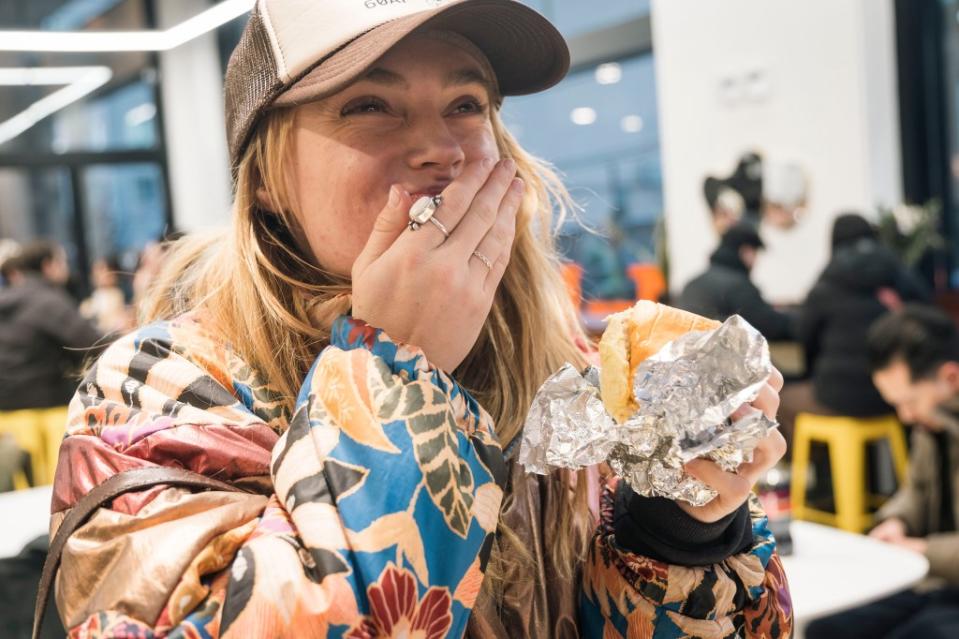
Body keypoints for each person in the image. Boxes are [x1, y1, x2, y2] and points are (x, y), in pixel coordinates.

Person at [50, 1, 791, 637]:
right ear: (269, 175)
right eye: (368, 104)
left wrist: (675, 533)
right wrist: (397, 366)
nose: (440, 148)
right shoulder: (155, 389)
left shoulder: (559, 369)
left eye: (466, 105)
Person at [806, 305, 959, 639]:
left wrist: (923, 550)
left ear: (951, 377)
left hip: (943, 576)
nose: (904, 416)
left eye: (910, 401)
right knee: (826, 627)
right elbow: (917, 489)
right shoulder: (932, 425)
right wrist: (897, 521)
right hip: (934, 581)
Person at [797, 213, 931, 418]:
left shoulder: (829, 278)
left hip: (836, 394)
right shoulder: (895, 268)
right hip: (893, 394)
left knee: (785, 400)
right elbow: (928, 317)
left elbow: (805, 334)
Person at [0, 240, 102, 411]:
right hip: (45, 407)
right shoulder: (49, 300)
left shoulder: (7, 297)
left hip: (5, 408)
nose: (66, 268)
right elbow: (92, 343)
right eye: (62, 261)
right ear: (48, 265)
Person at [677, 221, 796, 340]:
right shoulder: (739, 286)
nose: (756, 261)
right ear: (746, 251)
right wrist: (799, 321)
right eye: (755, 254)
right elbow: (768, 325)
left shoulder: (692, 284)